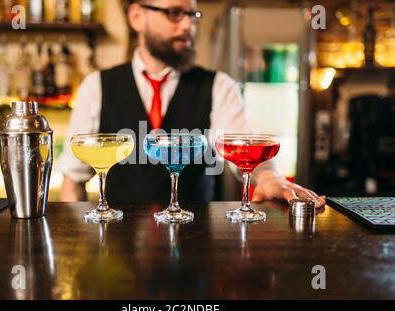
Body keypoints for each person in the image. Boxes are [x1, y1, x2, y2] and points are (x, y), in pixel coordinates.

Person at [56, 0, 326, 208]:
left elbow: (244, 147)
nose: (188, 26)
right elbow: (73, 181)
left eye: (192, 15)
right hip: (119, 257)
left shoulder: (219, 86)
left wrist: (269, 178)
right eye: (175, 13)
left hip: (197, 249)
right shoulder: (96, 87)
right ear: (137, 16)